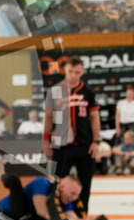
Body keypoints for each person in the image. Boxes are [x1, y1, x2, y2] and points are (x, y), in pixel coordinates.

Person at [0, 159, 111, 220]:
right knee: (16, 186)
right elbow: (41, 211)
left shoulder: (65, 199)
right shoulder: (42, 184)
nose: (74, 198)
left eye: (77, 195)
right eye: (73, 193)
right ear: (62, 187)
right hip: (7, 211)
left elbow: (71, 215)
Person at [42, 56, 101, 210]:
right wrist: (45, 140)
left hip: (84, 144)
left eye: (77, 72)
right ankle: (58, 219)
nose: (73, 75)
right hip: (61, 145)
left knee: (85, 185)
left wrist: (96, 141)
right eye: (70, 71)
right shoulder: (54, 91)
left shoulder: (88, 92)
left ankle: (82, 218)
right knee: (58, 184)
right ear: (65, 70)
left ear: (82, 72)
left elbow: (94, 117)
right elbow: (48, 117)